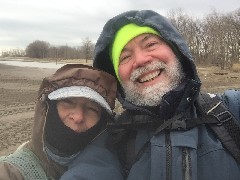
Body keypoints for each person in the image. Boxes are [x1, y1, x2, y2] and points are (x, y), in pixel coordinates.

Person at [93, 10, 240, 180]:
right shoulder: (110, 141)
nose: (141, 60)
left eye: (150, 44)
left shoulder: (230, 111)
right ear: (117, 78)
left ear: (176, 51)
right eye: (125, 57)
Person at [0, 64, 123, 180]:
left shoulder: (120, 163)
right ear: (48, 107)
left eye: (92, 109)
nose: (78, 117)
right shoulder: (11, 171)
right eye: (68, 102)